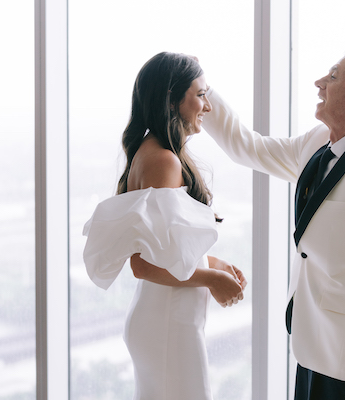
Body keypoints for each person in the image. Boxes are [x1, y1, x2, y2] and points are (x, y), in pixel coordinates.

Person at [202, 48, 345, 400]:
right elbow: (248, 147)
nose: (319, 84)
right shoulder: (317, 142)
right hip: (314, 350)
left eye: (332, 77)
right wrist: (201, 91)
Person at [82, 52, 247, 400]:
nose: (208, 107)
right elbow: (143, 264)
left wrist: (214, 264)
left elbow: (165, 248)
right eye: (200, 95)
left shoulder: (155, 150)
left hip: (166, 320)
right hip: (169, 325)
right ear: (172, 99)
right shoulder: (163, 160)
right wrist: (212, 279)